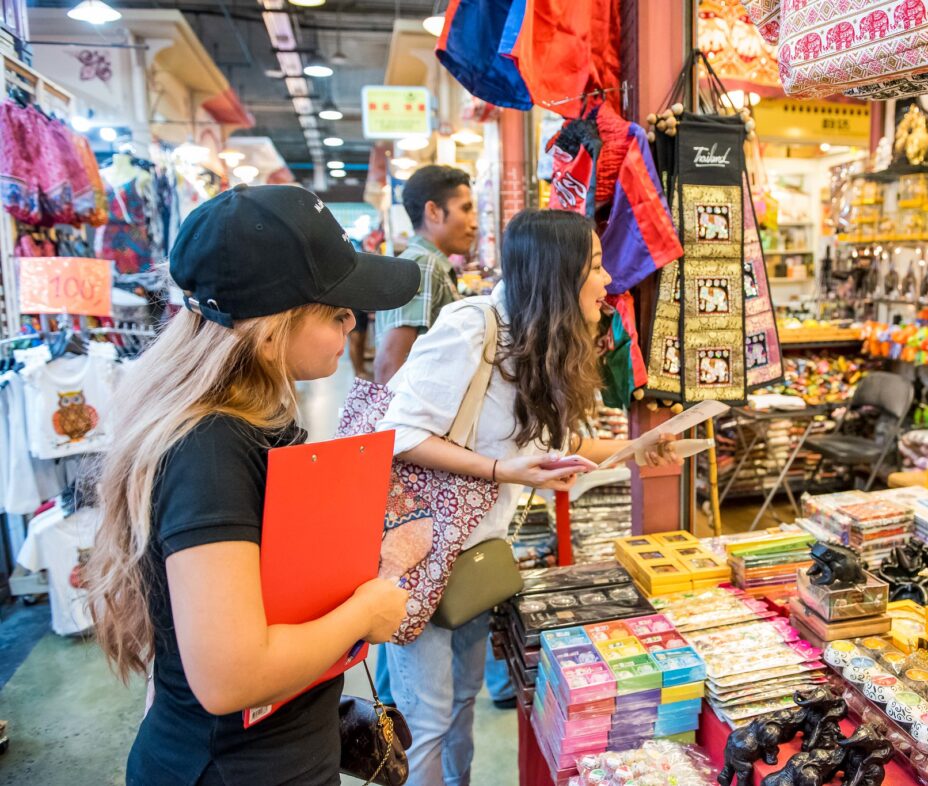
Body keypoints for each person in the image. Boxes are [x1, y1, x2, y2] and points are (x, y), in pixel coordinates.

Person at [85, 184, 427, 785]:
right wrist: (363, 613)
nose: (353, 324)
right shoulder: (211, 448)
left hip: (279, 751)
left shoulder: (251, 422)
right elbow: (229, 678)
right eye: (336, 311)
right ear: (271, 329)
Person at [374, 209, 678, 786]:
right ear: (556, 273)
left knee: (461, 702)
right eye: (593, 265)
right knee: (430, 720)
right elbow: (398, 433)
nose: (608, 279)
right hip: (419, 553)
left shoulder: (533, 339)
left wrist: (639, 446)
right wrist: (502, 470)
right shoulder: (473, 327)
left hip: (473, 557)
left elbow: (551, 444)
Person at [373, 165, 478, 385]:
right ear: (433, 211)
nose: (474, 223)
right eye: (465, 209)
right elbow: (390, 365)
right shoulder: (422, 265)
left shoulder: (426, 264)